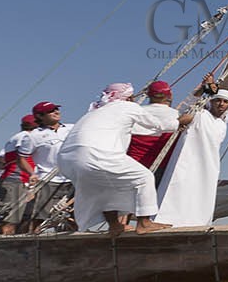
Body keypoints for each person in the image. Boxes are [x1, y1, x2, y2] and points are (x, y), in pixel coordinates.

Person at [57, 82, 173, 237]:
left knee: (104, 188)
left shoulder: (95, 111)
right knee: (144, 177)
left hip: (68, 159)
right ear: (129, 97)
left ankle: (115, 226)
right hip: (96, 153)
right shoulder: (128, 107)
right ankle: (144, 223)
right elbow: (158, 125)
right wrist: (180, 122)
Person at [155, 80, 228, 227]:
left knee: (201, 194)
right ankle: (167, 220)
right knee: (177, 188)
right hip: (186, 160)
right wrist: (204, 87)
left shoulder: (222, 125)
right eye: (218, 100)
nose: (221, 104)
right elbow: (183, 112)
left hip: (208, 166)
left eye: (226, 102)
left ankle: (196, 223)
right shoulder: (199, 114)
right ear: (212, 102)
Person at [0, 114, 38, 236]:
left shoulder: (17, 137)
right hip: (15, 180)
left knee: (12, 219)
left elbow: (0, 160)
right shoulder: (25, 137)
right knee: (1, 217)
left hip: (18, 181)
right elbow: (0, 160)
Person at [24, 101, 72, 232]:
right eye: (51, 110)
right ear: (40, 116)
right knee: (39, 217)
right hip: (47, 179)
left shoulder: (72, 128)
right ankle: (33, 244)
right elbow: (22, 157)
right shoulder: (34, 135)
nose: (56, 112)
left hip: (72, 178)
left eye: (57, 109)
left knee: (74, 216)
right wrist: (31, 173)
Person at [127, 80, 183, 176]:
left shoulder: (135, 112)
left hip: (133, 165)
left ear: (148, 95)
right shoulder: (176, 115)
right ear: (169, 96)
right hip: (160, 167)